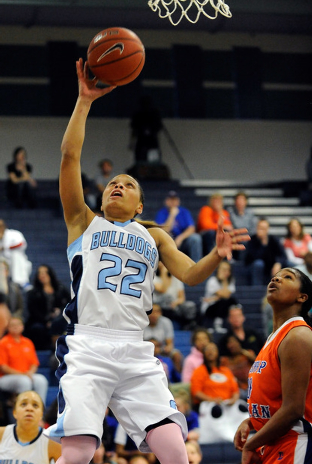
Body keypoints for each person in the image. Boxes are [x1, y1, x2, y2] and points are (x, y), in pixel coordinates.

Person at [44, 58, 249, 464]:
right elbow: (69, 157)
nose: (118, 184)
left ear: (140, 205)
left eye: (129, 184)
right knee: (79, 451)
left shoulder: (153, 234)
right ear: (102, 196)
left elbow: (190, 274)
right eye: (112, 183)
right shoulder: (82, 221)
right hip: (87, 344)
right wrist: (85, 100)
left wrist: (215, 254)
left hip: (135, 349)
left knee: (175, 449)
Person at [234, 268, 312, 464]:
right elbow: (275, 399)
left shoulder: (298, 336)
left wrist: (252, 443)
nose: (276, 278)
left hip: (294, 443)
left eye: (288, 277)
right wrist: (252, 421)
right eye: (276, 275)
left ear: (302, 297)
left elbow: (294, 409)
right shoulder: (276, 336)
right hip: (274, 443)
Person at [0, 317, 48, 409]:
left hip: (26, 374)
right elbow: (3, 367)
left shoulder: (28, 342)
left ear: (22, 327)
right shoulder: (3, 343)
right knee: (24, 381)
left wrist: (30, 373)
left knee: (41, 380)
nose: (15, 327)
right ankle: (23, 410)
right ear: (8, 328)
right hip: (5, 377)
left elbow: (34, 363)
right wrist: (23, 374)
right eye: (12, 325)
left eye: (18, 325)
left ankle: (40, 411)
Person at [0, 390, 61, 462]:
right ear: (14, 412)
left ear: (41, 415)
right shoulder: (2, 434)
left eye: (35, 405)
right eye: (23, 404)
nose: (29, 408)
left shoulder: (52, 441)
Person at [25, 264, 71, 350]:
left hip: (59, 319)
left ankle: (58, 350)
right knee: (37, 328)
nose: (43, 275)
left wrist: (59, 313)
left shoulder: (61, 289)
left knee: (62, 325)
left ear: (50, 274)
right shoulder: (33, 292)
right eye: (40, 273)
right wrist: (47, 321)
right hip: (40, 320)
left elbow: (69, 303)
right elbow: (33, 310)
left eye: (45, 272)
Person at [155, 190, 203, 263]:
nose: (173, 202)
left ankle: (196, 265)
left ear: (178, 201)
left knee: (195, 238)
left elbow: (191, 228)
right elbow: (163, 231)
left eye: (174, 200)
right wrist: (172, 215)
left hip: (182, 240)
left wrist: (180, 238)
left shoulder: (184, 211)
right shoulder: (161, 213)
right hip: (168, 240)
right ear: (166, 201)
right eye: (171, 200)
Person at [190, 342, 240, 409]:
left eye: (213, 349)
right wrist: (212, 400)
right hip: (209, 406)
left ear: (218, 352)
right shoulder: (199, 371)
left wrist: (233, 400)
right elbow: (196, 392)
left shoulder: (226, 370)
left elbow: (235, 391)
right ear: (203, 353)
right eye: (207, 349)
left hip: (228, 405)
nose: (210, 352)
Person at [153, 261, 197, 330]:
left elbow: (182, 298)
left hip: (174, 305)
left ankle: (188, 326)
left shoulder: (176, 278)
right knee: (167, 297)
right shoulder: (154, 278)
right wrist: (164, 273)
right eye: (161, 263)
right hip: (161, 304)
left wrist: (176, 303)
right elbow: (162, 290)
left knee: (190, 306)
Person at [244, 218, 288, 285]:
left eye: (264, 228)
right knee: (259, 263)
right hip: (254, 267)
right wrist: (263, 243)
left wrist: (278, 263)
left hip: (271, 267)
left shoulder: (273, 239)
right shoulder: (252, 240)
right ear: (257, 228)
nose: (262, 230)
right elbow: (253, 257)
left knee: (289, 264)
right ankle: (257, 289)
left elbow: (283, 255)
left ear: (267, 229)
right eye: (260, 228)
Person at [143, 303, 183, 375]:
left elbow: (170, 345)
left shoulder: (166, 322)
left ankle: (178, 377)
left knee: (176, 355)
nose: (154, 314)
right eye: (151, 312)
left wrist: (162, 349)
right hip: (145, 351)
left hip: (162, 350)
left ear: (160, 313)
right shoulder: (141, 322)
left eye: (157, 311)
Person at [200, 260, 237, 331]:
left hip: (222, 306)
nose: (225, 272)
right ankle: (216, 324)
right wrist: (217, 297)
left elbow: (227, 295)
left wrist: (224, 280)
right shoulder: (212, 281)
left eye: (227, 270)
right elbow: (225, 295)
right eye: (223, 269)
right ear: (218, 270)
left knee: (233, 301)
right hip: (209, 308)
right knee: (223, 301)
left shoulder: (231, 280)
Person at [219, 334, 255, 400]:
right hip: (237, 392)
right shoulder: (224, 360)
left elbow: (257, 363)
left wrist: (242, 351)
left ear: (238, 342)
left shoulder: (247, 354)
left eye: (234, 341)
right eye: (229, 343)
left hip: (252, 387)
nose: (232, 344)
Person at [130, 95, 163, 164]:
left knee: (154, 159)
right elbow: (134, 128)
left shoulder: (154, 113)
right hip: (141, 139)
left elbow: (159, 126)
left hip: (152, 139)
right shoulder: (138, 114)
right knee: (140, 158)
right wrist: (132, 142)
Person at [0, 219, 32, 288]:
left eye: (1, 226)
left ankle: (22, 282)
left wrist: (4, 248)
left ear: (4, 226)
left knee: (16, 254)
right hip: (3, 264)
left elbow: (21, 244)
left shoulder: (14, 234)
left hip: (17, 263)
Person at [228, 192, 258, 261]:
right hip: (234, 236)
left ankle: (243, 262)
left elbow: (253, 229)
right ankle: (230, 259)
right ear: (235, 202)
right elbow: (229, 226)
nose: (240, 202)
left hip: (247, 237)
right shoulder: (230, 212)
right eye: (238, 200)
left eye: (242, 200)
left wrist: (248, 236)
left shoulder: (250, 213)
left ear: (246, 202)